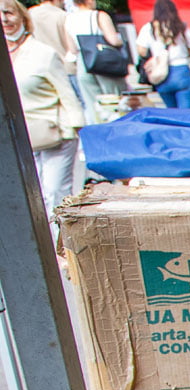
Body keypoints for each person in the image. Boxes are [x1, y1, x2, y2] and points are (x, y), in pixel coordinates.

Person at [4, 0, 83, 232]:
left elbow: (68, 95)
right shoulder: (5, 56)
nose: (4, 19)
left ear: (22, 18)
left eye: (8, 13)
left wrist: (79, 128)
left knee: (55, 192)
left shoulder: (43, 53)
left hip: (55, 133)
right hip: (21, 137)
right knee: (33, 197)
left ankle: (64, 250)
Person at [65, 0, 124, 124]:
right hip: (103, 61)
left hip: (83, 63)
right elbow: (113, 40)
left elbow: (72, 49)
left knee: (93, 106)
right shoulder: (99, 15)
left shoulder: (68, 19)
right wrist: (120, 40)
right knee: (115, 103)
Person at [138, 0, 190, 111]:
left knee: (171, 111)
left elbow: (141, 51)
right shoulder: (181, 26)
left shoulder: (148, 28)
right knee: (187, 112)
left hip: (161, 74)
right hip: (181, 70)